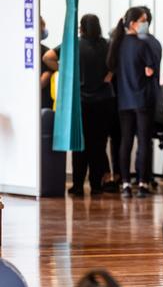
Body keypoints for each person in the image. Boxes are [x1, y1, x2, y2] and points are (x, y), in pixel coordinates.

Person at [43, 14, 114, 196]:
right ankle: (96, 186)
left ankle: (77, 186)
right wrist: (110, 74)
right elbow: (117, 64)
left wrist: (65, 69)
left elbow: (47, 57)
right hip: (104, 102)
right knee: (98, 146)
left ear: (81, 28)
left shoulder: (73, 44)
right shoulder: (107, 45)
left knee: (79, 145)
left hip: (81, 102)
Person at [106, 7, 156, 198]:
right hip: (142, 99)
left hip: (123, 101)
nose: (145, 24)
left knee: (125, 142)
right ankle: (143, 183)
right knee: (143, 141)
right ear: (133, 22)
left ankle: (125, 183)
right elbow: (150, 70)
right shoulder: (143, 45)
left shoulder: (117, 45)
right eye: (143, 20)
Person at [137, 6, 163, 189]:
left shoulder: (142, 43)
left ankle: (142, 179)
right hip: (151, 95)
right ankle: (146, 177)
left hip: (140, 97)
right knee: (146, 140)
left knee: (142, 141)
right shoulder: (155, 42)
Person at [39, 17, 54, 109]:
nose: (44, 30)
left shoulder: (45, 51)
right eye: (43, 27)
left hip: (41, 100)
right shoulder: (46, 52)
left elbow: (46, 76)